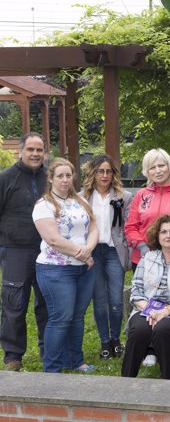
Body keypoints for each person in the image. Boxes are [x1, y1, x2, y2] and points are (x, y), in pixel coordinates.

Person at [32, 158, 98, 373]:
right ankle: (51, 368)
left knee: (77, 317)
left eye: (68, 175)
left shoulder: (80, 200)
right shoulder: (44, 205)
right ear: (51, 178)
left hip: (83, 269)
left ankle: (75, 360)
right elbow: (53, 239)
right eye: (60, 176)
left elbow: (94, 226)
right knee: (61, 318)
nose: (65, 180)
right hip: (56, 269)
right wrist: (83, 254)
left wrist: (89, 247)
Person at [121, 214, 170, 380]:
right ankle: (126, 381)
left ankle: (166, 380)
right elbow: (136, 289)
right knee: (139, 330)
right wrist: (150, 310)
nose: (168, 235)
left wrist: (165, 311)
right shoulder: (148, 257)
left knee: (163, 330)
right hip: (147, 309)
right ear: (157, 235)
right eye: (164, 232)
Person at [0, 132, 48, 372]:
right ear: (21, 151)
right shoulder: (5, 178)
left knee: (47, 303)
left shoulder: (51, 178)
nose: (35, 154)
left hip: (49, 251)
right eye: (31, 149)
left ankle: (48, 350)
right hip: (15, 251)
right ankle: (13, 356)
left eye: (39, 150)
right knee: (14, 304)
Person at [80, 154, 132, 361]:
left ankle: (116, 339)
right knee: (99, 301)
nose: (104, 175)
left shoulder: (124, 196)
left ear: (114, 173)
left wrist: (127, 255)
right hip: (93, 253)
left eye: (108, 171)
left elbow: (127, 227)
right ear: (93, 173)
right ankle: (104, 342)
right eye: (100, 171)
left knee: (116, 301)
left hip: (113, 252)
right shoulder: (82, 197)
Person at [125, 148, 170, 267]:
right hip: (143, 257)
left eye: (161, 166)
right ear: (147, 171)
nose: (158, 171)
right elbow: (130, 227)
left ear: (169, 167)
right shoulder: (141, 195)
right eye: (152, 168)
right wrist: (142, 246)